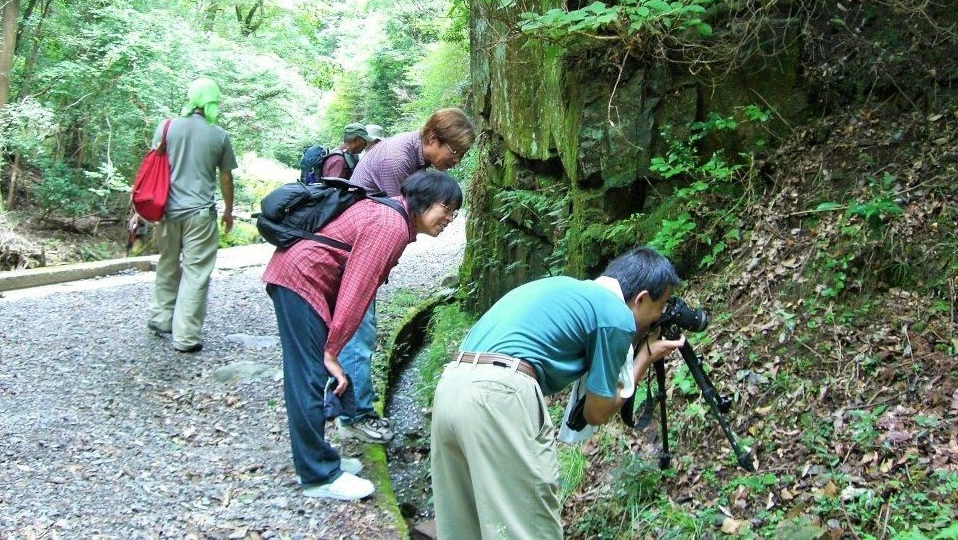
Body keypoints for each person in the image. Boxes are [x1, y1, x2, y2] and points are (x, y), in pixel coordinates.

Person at [430, 246, 685, 539]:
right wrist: (643, 359)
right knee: (527, 528)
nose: (659, 316)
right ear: (640, 299)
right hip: (498, 395)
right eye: (660, 306)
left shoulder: (571, 291)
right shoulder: (616, 315)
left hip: (452, 383)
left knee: (464, 527)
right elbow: (596, 412)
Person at [262, 170, 463, 501]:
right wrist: (333, 350)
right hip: (300, 280)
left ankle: (320, 461)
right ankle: (318, 475)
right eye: (447, 207)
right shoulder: (391, 225)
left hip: (302, 278)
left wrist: (333, 345)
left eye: (455, 211)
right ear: (423, 201)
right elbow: (357, 291)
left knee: (311, 373)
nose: (450, 218)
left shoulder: (393, 216)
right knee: (309, 375)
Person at [337, 108, 476, 444]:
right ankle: (355, 415)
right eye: (454, 152)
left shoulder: (412, 157)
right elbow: (401, 219)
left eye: (463, 155)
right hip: (353, 252)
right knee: (358, 330)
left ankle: (348, 406)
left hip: (358, 248)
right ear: (432, 139)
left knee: (356, 330)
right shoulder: (398, 159)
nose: (456, 161)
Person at [146, 77, 237, 353]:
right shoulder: (219, 135)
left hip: (166, 211)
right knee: (196, 273)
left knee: (167, 263)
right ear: (213, 101)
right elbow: (225, 178)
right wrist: (229, 210)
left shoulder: (167, 127)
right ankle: (185, 337)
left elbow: (152, 167)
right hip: (199, 213)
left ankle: (161, 318)